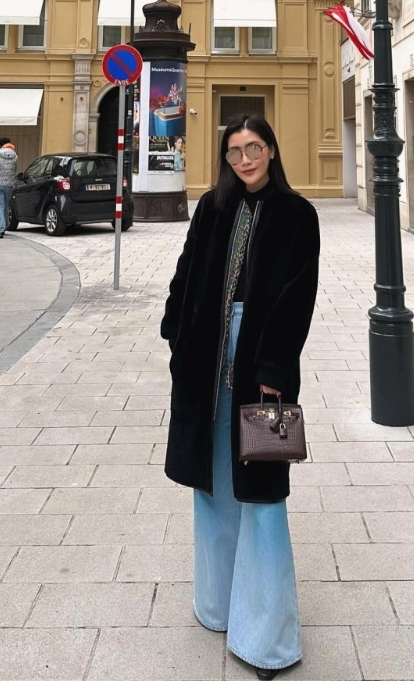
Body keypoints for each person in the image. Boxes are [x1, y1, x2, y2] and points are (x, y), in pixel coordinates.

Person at [161, 115, 320, 680]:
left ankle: (267, 637)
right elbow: (186, 272)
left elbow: (298, 296)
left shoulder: (297, 214)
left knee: (262, 491)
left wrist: (274, 366)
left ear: (272, 150)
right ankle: (218, 605)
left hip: (259, 361)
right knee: (212, 480)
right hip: (205, 360)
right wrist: (175, 331)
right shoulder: (212, 207)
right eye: (234, 151)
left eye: (254, 148)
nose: (245, 159)